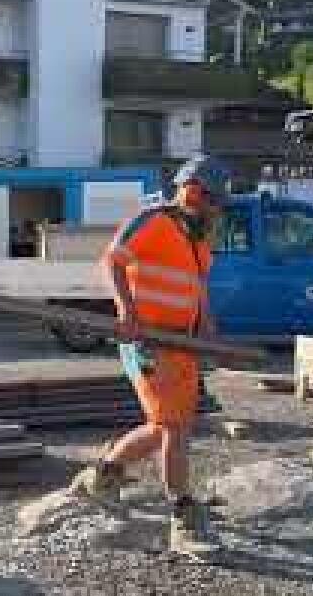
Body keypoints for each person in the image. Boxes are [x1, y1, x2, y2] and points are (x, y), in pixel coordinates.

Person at [70, 157, 229, 541]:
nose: (218, 209)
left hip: (182, 342)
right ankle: (182, 510)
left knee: (167, 426)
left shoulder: (198, 237)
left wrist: (206, 324)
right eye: (215, 202)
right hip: (148, 340)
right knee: (172, 426)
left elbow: (197, 284)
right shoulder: (153, 220)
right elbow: (113, 260)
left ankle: (104, 474)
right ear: (193, 192)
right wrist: (126, 310)